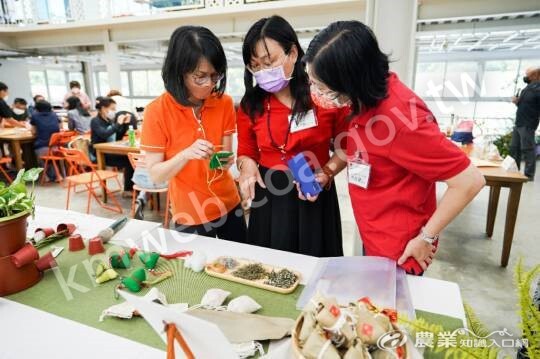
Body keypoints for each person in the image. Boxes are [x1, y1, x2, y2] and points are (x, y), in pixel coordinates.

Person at [303, 21, 486, 275]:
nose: (316, 92)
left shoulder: (403, 121)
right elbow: (357, 147)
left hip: (400, 251)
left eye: (322, 87)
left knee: (390, 313)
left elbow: (469, 181)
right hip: (374, 234)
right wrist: (328, 171)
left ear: (349, 79)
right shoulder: (363, 99)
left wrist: (426, 238)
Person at [236, 15, 348, 257]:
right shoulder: (251, 104)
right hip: (270, 196)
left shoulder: (322, 93)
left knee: (317, 266)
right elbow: (246, 151)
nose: (263, 71)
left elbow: (346, 148)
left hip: (314, 189)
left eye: (269, 61)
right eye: (255, 66)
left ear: (293, 53)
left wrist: (326, 173)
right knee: (271, 266)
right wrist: (246, 168)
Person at [141, 25, 246, 242]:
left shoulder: (224, 103)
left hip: (230, 204)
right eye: (200, 76)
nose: (209, 84)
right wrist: (184, 155)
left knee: (240, 267)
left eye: (214, 76)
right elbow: (155, 175)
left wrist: (227, 161)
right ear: (178, 70)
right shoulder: (157, 111)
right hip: (191, 213)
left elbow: (225, 157)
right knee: (198, 272)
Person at [90, 97, 134, 196]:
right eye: (112, 109)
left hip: (110, 151)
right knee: (129, 161)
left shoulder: (108, 121)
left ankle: (129, 188)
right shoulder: (95, 121)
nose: (114, 112)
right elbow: (104, 134)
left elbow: (118, 136)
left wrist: (125, 125)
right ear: (103, 108)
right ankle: (127, 189)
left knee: (131, 158)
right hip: (100, 154)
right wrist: (118, 124)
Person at [510, 66, 540, 181]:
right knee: (514, 147)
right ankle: (515, 172)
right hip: (519, 122)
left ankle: (529, 175)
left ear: (535, 76)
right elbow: (524, 105)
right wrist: (517, 102)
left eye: (528, 75)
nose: (526, 77)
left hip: (528, 123)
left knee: (527, 149)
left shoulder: (538, 90)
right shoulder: (527, 88)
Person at [30, 100, 61, 181]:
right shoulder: (54, 115)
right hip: (56, 146)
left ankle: (45, 176)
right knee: (51, 158)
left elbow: (33, 132)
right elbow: (60, 127)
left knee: (39, 156)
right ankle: (57, 175)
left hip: (42, 146)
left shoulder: (35, 115)